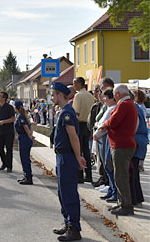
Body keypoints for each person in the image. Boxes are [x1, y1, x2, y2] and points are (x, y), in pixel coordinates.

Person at [50, 82, 86, 242]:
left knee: (69, 193)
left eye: (53, 94)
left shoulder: (67, 113)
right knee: (62, 192)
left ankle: (74, 229)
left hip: (67, 157)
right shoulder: (64, 111)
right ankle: (67, 222)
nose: (51, 97)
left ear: (59, 95)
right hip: (62, 156)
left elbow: (73, 137)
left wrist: (78, 157)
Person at [97, 84, 138, 216]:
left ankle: (126, 205)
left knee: (121, 176)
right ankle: (122, 203)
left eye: (115, 94)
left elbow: (114, 121)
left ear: (118, 94)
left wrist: (105, 124)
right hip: (123, 144)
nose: (114, 96)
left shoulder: (124, 105)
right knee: (119, 175)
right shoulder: (128, 104)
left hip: (121, 145)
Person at [93, 89, 118, 202]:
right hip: (101, 138)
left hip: (105, 138)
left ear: (112, 98)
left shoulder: (113, 109)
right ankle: (111, 190)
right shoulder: (109, 108)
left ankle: (114, 191)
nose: (104, 100)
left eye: (105, 98)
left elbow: (106, 124)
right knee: (105, 165)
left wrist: (97, 133)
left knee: (108, 165)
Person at [72, 77, 94, 183]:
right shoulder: (90, 95)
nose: (73, 86)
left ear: (80, 84)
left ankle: (79, 176)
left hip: (79, 124)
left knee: (78, 151)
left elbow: (76, 112)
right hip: (88, 125)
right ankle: (89, 175)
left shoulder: (78, 95)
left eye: (74, 83)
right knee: (86, 151)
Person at [130, 90, 147, 207]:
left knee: (132, 173)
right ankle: (137, 198)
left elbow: (133, 127)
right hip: (138, 142)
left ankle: (135, 199)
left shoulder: (133, 109)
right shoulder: (137, 107)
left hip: (135, 143)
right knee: (134, 173)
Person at [14, 100, 35, 185]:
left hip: (24, 138)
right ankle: (26, 175)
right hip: (24, 138)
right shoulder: (24, 115)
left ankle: (28, 177)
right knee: (24, 158)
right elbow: (31, 125)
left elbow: (25, 127)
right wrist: (30, 135)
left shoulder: (21, 116)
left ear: (16, 107)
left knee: (25, 158)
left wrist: (29, 135)